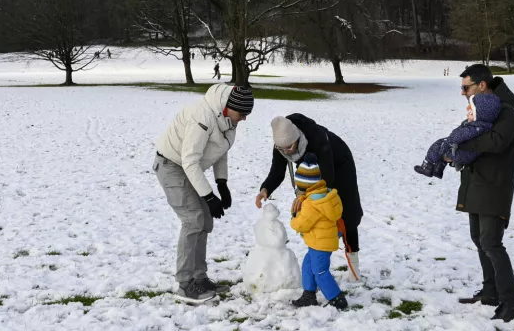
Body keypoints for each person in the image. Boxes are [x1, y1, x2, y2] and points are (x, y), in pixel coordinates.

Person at [154, 84, 254, 304]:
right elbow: (189, 160)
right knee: (193, 220)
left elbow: (221, 151)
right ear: (229, 107)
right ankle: (185, 284)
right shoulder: (202, 116)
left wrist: (221, 183)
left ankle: (200, 278)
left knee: (205, 220)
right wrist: (209, 197)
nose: (244, 118)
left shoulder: (229, 120)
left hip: (189, 168)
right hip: (171, 165)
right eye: (242, 113)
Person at [450, 64, 514, 323]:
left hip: (494, 186)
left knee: (491, 242)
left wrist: (463, 142)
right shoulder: (480, 110)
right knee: (479, 239)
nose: (462, 93)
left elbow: (496, 142)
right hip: (475, 183)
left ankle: (510, 302)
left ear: (482, 85)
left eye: (465, 87)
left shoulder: (506, 112)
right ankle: (491, 292)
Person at [257, 114, 364, 281]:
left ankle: (354, 268)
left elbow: (327, 178)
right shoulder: (282, 143)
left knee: (347, 213)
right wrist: (265, 189)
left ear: (297, 139)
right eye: (281, 149)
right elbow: (277, 170)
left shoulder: (317, 138)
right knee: (316, 213)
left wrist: (304, 195)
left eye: (289, 148)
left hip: (339, 162)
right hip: (311, 170)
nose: (286, 152)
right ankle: (319, 251)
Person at [289, 154, 348, 310]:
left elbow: (301, 225)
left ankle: (337, 298)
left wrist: (294, 214)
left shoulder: (311, 204)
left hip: (320, 244)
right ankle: (308, 295)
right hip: (320, 241)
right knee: (308, 266)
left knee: (320, 271)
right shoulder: (325, 194)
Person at [415, 94, 501, 179]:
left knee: (438, 145)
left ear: (480, 115)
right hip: (467, 154)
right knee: (442, 149)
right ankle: (438, 169)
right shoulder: (485, 127)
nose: (467, 114)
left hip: (462, 154)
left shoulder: (474, 128)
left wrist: (447, 143)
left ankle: (427, 166)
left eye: (471, 112)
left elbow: (457, 136)